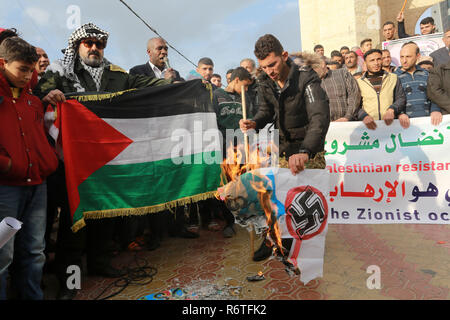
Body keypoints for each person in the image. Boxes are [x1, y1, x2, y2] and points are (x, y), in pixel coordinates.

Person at [34, 22, 170, 300]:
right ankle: (69, 280)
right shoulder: (59, 71)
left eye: (100, 44)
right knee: (76, 222)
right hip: (71, 162)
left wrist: (176, 85)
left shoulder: (117, 74)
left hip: (106, 161)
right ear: (77, 46)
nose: (95, 48)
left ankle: (99, 263)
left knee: (105, 215)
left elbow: (150, 85)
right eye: (88, 43)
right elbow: (39, 94)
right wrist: (49, 94)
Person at [239, 34, 330, 261]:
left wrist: (306, 151)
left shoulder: (307, 78)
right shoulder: (265, 82)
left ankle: (307, 243)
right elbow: (265, 111)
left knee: (308, 200)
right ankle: (274, 241)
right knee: (278, 199)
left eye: (273, 64)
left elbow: (319, 117)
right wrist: (254, 122)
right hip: (284, 147)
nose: (269, 71)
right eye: (264, 67)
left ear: (284, 56)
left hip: (310, 147)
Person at [0, 37, 58, 300]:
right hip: (6, 188)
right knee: (3, 254)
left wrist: (47, 163)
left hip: (37, 185)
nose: (28, 76)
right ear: (2, 63)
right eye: (22, 69)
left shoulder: (34, 102)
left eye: (31, 70)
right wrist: (7, 165)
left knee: (35, 251)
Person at [212, 67, 255, 238]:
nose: (246, 90)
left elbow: (251, 120)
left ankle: (245, 216)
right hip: (223, 146)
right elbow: (212, 120)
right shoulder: (216, 96)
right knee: (225, 185)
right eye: (244, 86)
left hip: (242, 147)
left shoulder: (245, 98)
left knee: (242, 183)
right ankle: (229, 221)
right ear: (236, 80)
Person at [356, 49, 407, 130]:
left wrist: (392, 109)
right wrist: (364, 116)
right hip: (369, 126)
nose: (376, 63)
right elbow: (356, 105)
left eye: (379, 59)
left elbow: (401, 98)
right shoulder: (358, 83)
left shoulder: (393, 78)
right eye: (372, 60)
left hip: (390, 125)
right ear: (365, 63)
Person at [394, 42, 442, 128]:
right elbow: (391, 100)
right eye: (402, 57)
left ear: (418, 56)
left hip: (428, 124)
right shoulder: (393, 77)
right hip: (404, 126)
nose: (404, 61)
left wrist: (435, 110)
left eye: (408, 56)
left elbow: (435, 95)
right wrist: (399, 114)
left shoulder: (427, 74)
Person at [312, 56, 361, 122]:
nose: (313, 71)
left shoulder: (342, 73)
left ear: (322, 64)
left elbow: (354, 95)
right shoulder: (312, 83)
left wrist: (347, 117)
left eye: (314, 67)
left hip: (347, 124)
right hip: (324, 127)